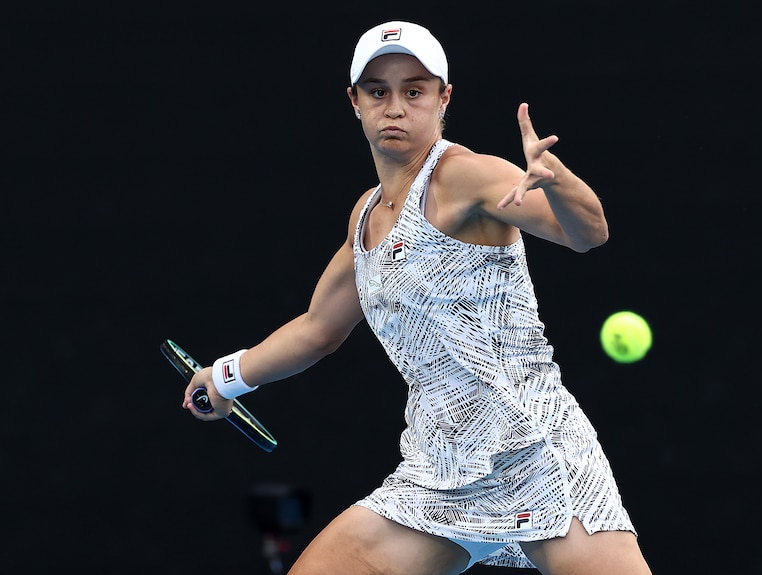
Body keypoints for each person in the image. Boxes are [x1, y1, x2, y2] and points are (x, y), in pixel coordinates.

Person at [183, 20, 652, 575]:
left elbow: (587, 233)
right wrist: (226, 376)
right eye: (378, 92)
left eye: (414, 91)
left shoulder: (466, 178)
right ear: (354, 102)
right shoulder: (366, 216)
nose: (395, 107)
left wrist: (557, 180)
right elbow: (317, 328)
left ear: (442, 98)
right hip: (440, 467)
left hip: (535, 449)